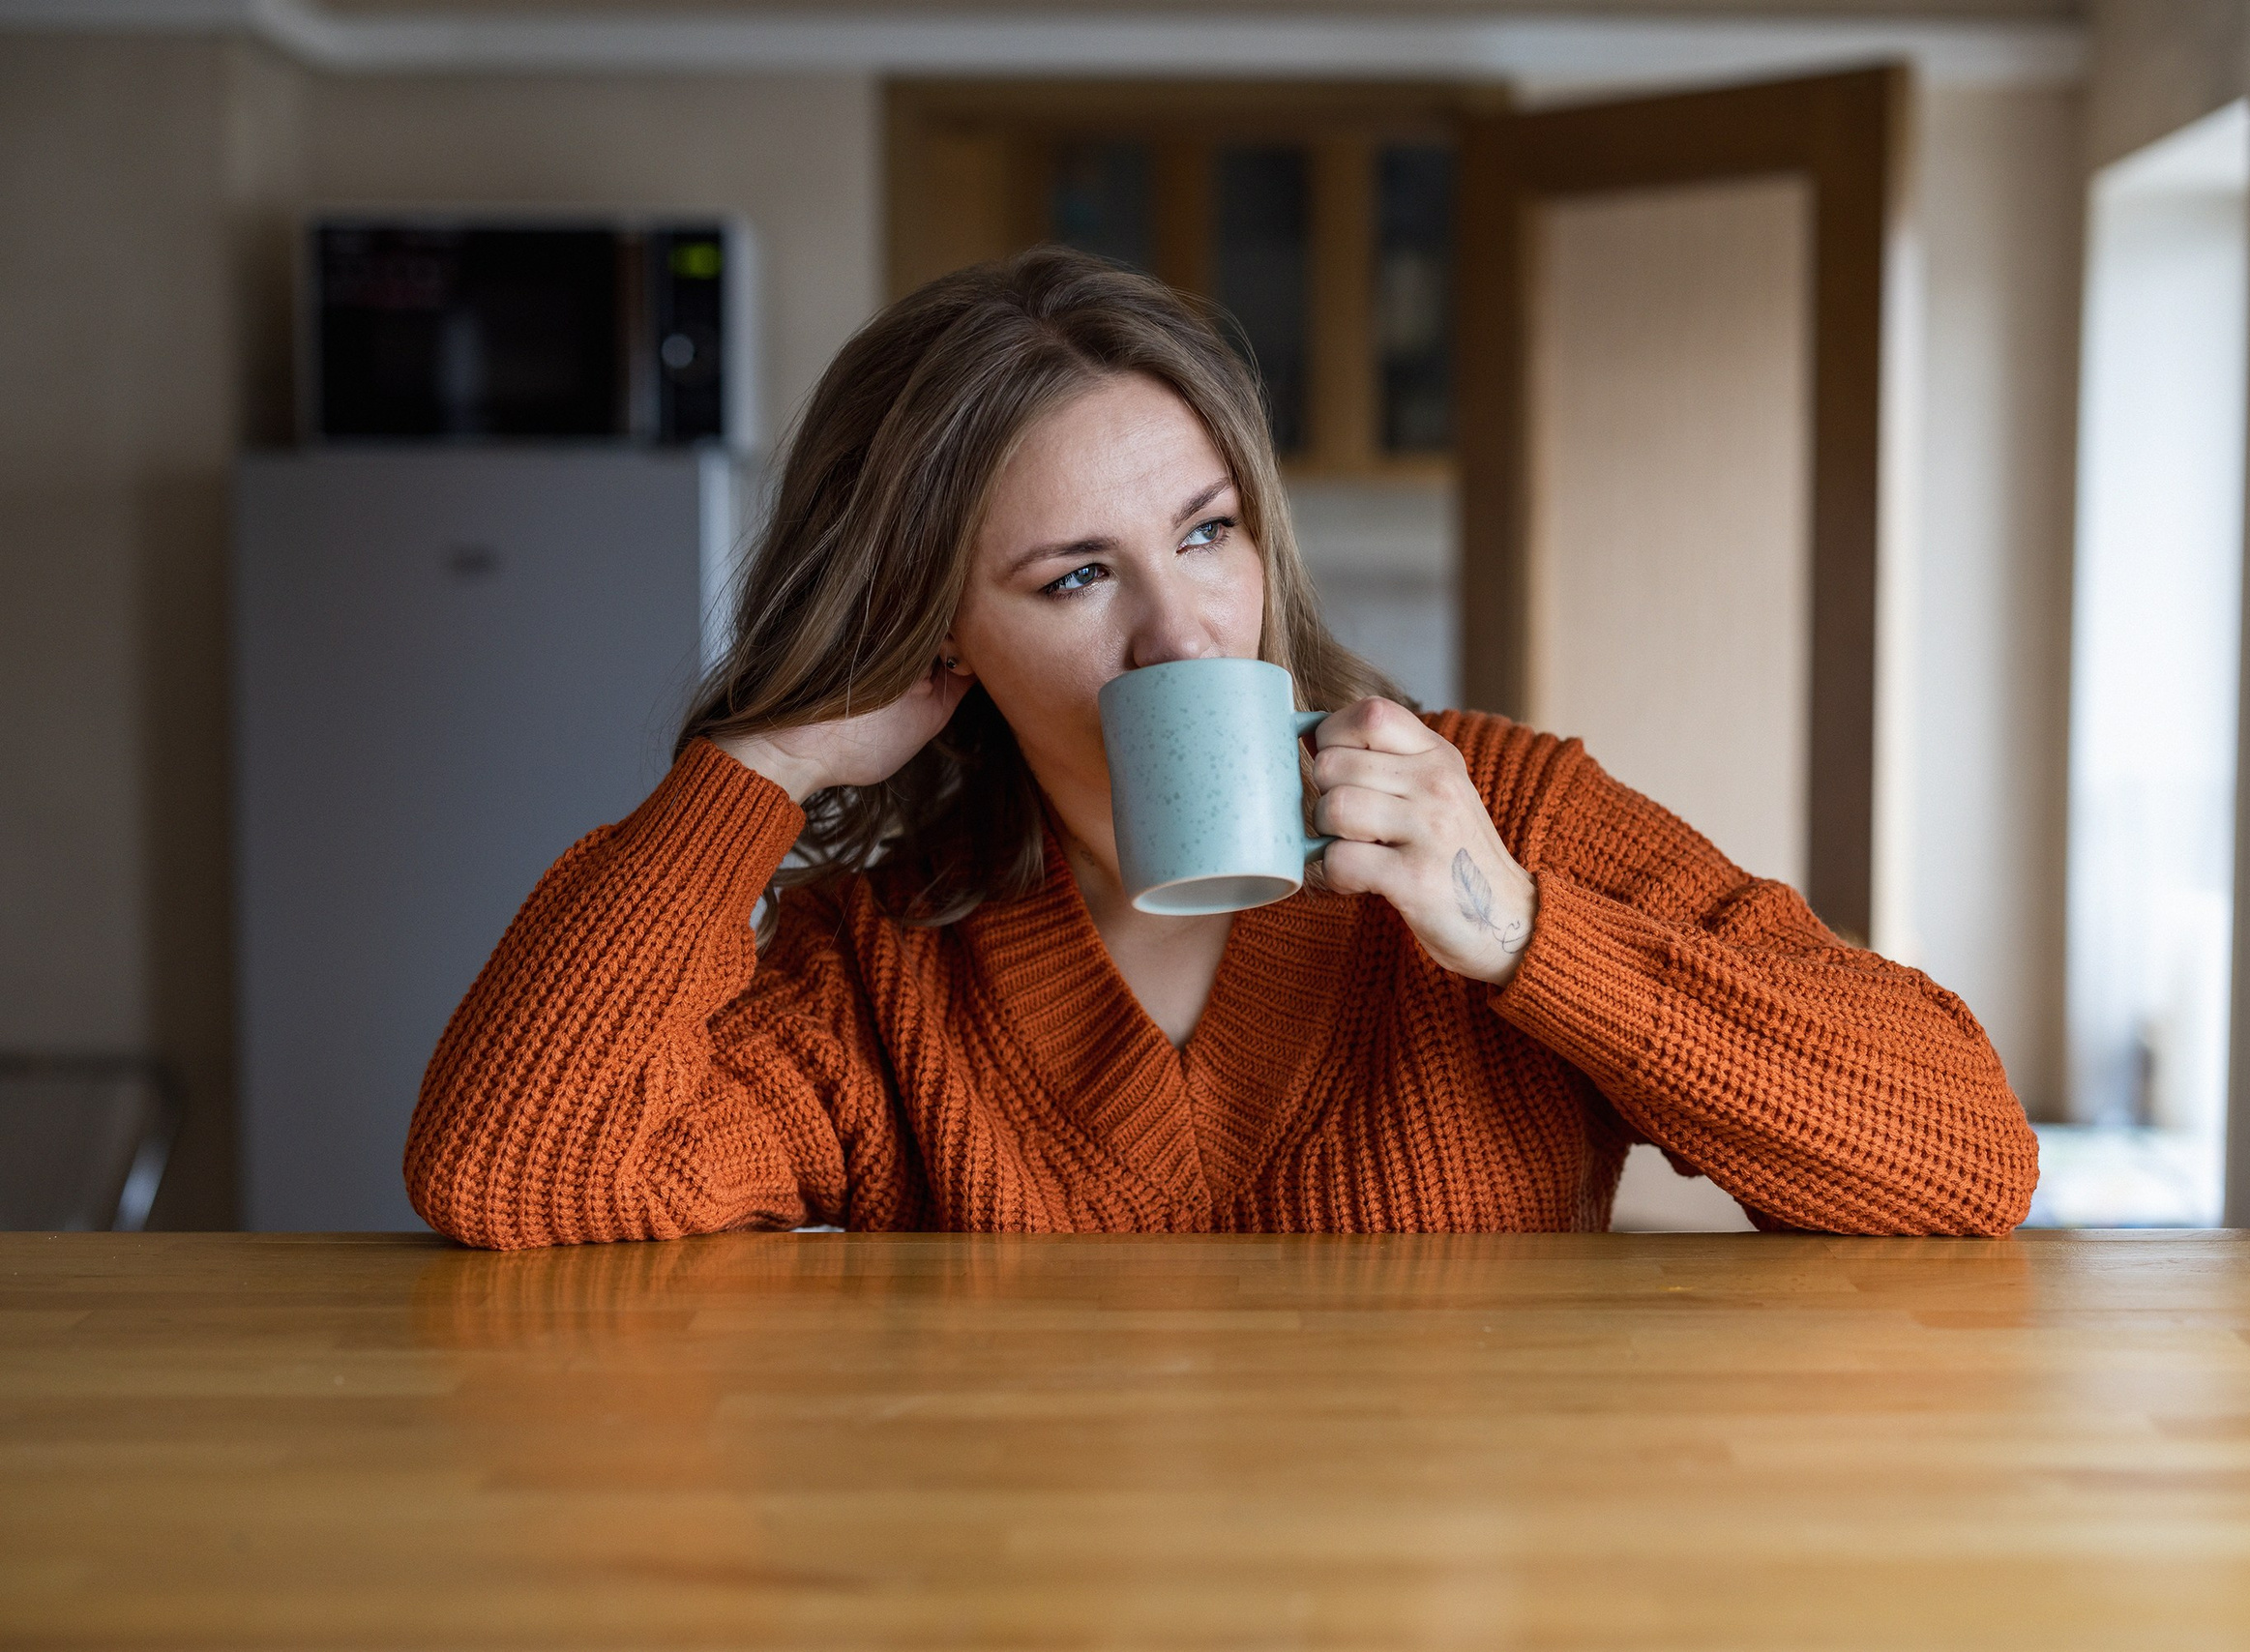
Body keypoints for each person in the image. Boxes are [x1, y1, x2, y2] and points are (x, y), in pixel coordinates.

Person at [406, 248, 2037, 1250]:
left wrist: (1523, 935)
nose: (1185, 632)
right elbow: (516, 1172)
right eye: (1075, 577)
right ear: (938, 637)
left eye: (1206, 532)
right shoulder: (886, 968)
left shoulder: (1504, 817)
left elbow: (1965, 1154)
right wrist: (754, 778)